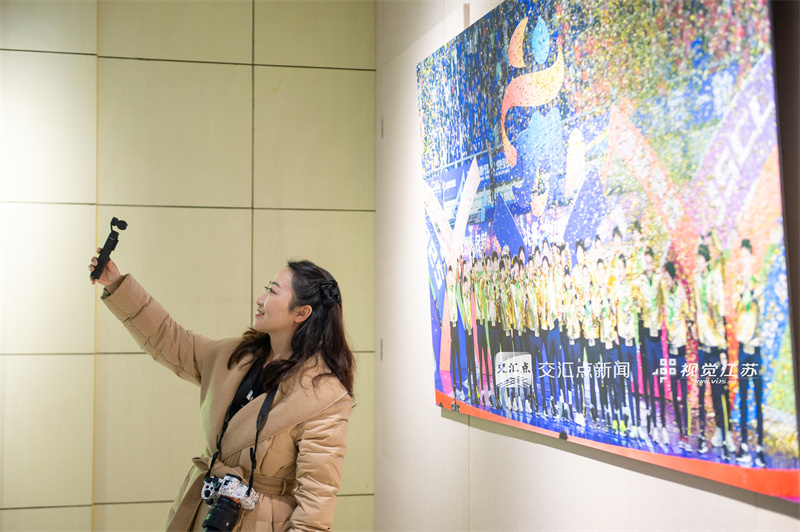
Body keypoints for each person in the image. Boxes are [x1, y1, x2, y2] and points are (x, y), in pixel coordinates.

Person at [89, 252, 355, 531]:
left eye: (273, 292)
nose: (260, 299)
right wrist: (117, 285)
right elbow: (168, 338)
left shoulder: (323, 396)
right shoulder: (234, 356)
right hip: (206, 509)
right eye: (266, 289)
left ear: (301, 313)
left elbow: (316, 501)